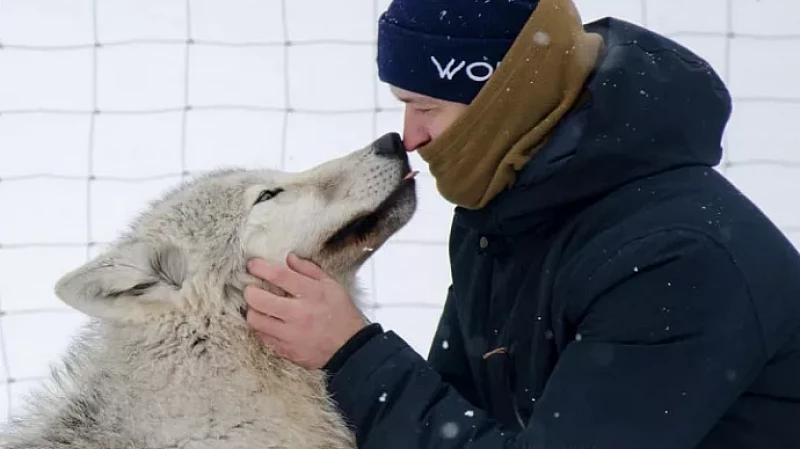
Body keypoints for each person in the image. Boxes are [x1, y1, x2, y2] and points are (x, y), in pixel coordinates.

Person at [243, 0, 800, 447]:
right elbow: (463, 412)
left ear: (503, 97)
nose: (411, 137)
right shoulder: (510, 212)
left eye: (427, 106)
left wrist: (352, 356)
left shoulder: (677, 260)